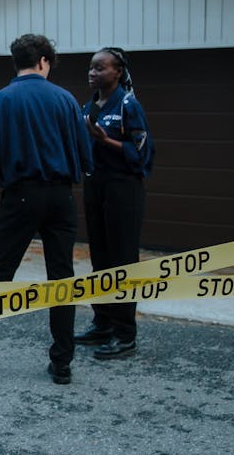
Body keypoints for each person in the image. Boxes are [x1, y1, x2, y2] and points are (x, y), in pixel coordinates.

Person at [0, 34, 92, 385]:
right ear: (44, 61)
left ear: (16, 61)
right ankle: (62, 362)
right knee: (62, 277)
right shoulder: (66, 100)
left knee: (0, 275)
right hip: (61, 196)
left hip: (19, 196)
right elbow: (84, 154)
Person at [74, 47, 155, 359]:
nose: (92, 73)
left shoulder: (128, 105)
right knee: (100, 258)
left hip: (124, 187)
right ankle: (103, 322)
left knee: (121, 259)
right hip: (96, 185)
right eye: (91, 68)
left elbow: (142, 153)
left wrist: (104, 139)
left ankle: (125, 334)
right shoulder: (90, 105)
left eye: (100, 68)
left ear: (118, 72)